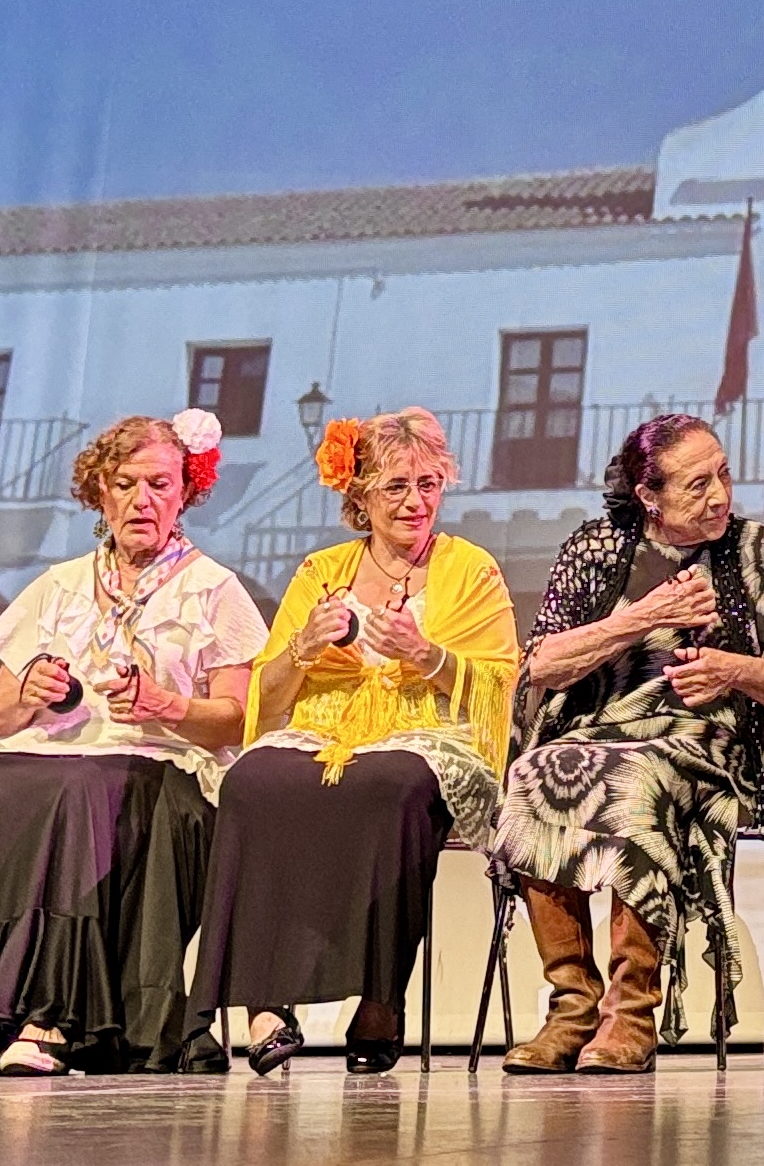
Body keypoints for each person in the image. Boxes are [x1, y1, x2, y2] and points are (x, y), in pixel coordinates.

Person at [0, 410, 263, 1077]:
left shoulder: (213, 588)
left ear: (184, 492)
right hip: (55, 756)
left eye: (160, 484)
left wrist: (166, 703)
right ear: (100, 493)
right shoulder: (58, 584)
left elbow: (234, 721)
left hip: (166, 770)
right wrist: (31, 693)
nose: (143, 500)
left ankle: (53, 1016)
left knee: (82, 786)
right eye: (126, 483)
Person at [197, 410, 519, 1077]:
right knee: (256, 781)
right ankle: (266, 1005)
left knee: (388, 782)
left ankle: (380, 998)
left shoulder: (471, 569)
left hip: (432, 732)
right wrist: (306, 646)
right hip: (325, 728)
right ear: (361, 495)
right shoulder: (323, 570)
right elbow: (269, 692)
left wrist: (426, 656)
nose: (416, 502)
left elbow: (499, 683)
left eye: (429, 484)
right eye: (397, 486)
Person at [494, 413, 764, 1075]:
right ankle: (573, 1004)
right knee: (532, 776)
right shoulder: (597, 548)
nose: (720, 494)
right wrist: (645, 617)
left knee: (634, 782)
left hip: (705, 746)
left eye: (722, 473)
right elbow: (543, 664)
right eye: (697, 485)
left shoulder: (752, 551)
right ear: (650, 497)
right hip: (599, 736)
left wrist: (732, 670)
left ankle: (630, 1010)